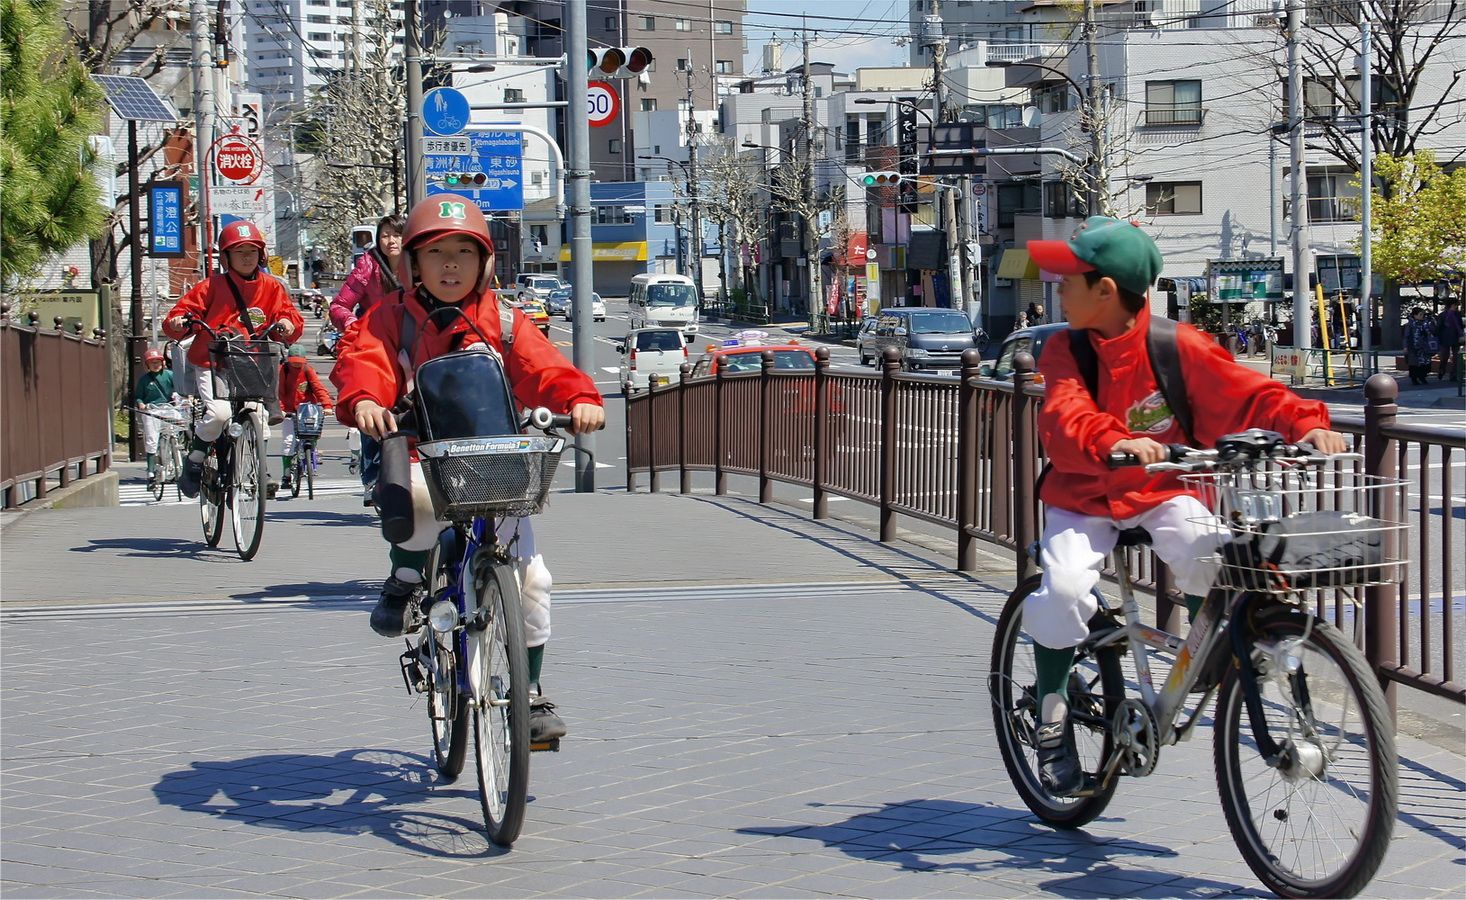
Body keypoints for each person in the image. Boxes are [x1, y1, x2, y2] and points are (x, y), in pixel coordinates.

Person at [1023, 217, 1346, 797]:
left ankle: (1200, 670)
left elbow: (1252, 393)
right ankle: (1051, 721)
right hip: (1082, 496)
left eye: (1069, 277)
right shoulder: (1063, 348)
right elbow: (1063, 415)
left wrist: (1306, 424)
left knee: (1217, 553)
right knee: (1065, 588)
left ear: (1106, 291)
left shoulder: (1176, 345)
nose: (1057, 285)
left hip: (1163, 489)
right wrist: (1112, 440)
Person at [332, 197, 604, 744]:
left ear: (484, 264)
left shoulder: (504, 320)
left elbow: (546, 369)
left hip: (496, 462)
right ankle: (407, 578)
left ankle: (527, 693)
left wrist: (579, 400)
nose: (450, 264)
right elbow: (364, 362)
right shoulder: (390, 318)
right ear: (412, 264)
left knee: (533, 580)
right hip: (425, 456)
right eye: (436, 253)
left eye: (464, 251)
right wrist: (364, 399)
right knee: (411, 499)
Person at [164, 221, 303, 498]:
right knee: (219, 413)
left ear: (261, 255)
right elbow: (179, 315)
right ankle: (196, 459)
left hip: (254, 362)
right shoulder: (210, 285)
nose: (247, 256)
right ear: (226, 257)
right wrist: (180, 322)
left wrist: (287, 323)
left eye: (252, 250)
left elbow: (290, 317)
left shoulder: (272, 287)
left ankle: (259, 469)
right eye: (239, 251)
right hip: (213, 361)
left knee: (260, 417)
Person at [331, 215, 405, 503]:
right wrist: (355, 325)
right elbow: (339, 305)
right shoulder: (367, 266)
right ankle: (372, 474)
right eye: (385, 235)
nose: (391, 241)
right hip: (376, 345)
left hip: (415, 341)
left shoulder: (419, 262)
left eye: (397, 235)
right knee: (369, 400)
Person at [278, 344, 332, 492]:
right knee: (288, 442)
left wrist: (327, 405)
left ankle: (311, 454)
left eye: (299, 361)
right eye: (293, 361)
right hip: (289, 411)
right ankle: (286, 474)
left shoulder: (308, 370)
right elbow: (279, 392)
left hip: (307, 409)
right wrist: (281, 410)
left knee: (312, 433)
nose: (296, 364)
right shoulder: (283, 371)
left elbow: (318, 388)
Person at [134, 348, 176, 482]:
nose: (155, 365)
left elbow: (180, 389)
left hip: (169, 407)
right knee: (152, 439)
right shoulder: (144, 380)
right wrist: (141, 404)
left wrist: (186, 397)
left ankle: (179, 454)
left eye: (158, 362)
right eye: (152, 363)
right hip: (152, 410)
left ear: (163, 362)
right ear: (147, 365)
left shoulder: (170, 375)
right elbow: (138, 397)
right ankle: (151, 471)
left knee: (180, 425)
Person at [1402, 307, 1437, 386]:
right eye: (1420, 314)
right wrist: (1405, 346)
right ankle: (1414, 378)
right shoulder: (1410, 324)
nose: (1422, 316)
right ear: (1415, 315)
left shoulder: (1425, 323)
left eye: (1422, 314)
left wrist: (1432, 320)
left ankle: (1423, 376)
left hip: (1424, 346)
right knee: (1414, 363)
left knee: (1425, 363)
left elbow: (1432, 330)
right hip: (1413, 346)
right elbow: (1406, 336)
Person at [1437, 298, 1462, 381]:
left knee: (1456, 357)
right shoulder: (1443, 315)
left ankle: (1454, 374)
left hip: (1455, 338)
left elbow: (1460, 325)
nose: (1456, 307)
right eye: (1455, 305)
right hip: (1445, 338)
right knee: (1444, 357)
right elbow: (1439, 327)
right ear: (1450, 305)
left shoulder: (1458, 314)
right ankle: (1441, 370)